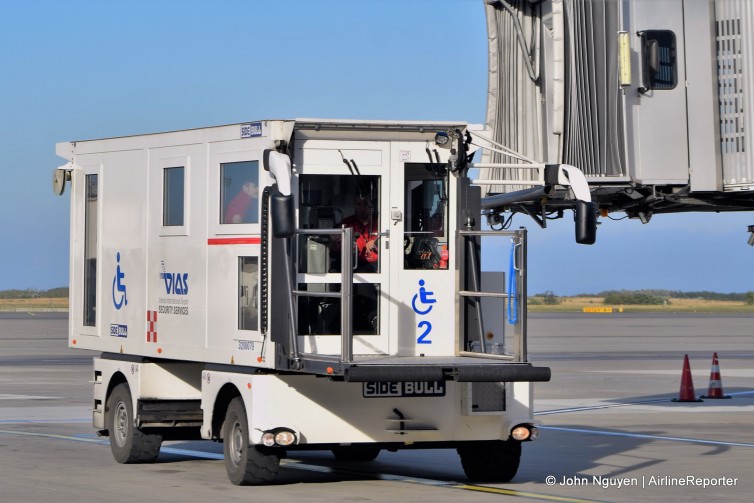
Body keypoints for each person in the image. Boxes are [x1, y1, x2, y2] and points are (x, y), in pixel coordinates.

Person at [333, 194, 379, 272]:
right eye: (359, 204)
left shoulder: (379, 223)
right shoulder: (346, 223)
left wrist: (375, 244)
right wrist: (335, 241)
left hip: (375, 264)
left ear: (371, 206)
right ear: (354, 205)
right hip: (352, 263)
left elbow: (385, 243)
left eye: (366, 204)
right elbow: (337, 249)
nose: (362, 208)